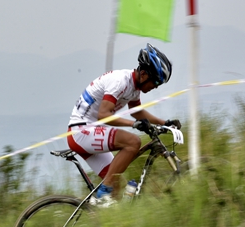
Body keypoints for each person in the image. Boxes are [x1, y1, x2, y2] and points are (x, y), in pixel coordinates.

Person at [67, 43, 182, 206]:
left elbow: (137, 112)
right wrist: (134, 125)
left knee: (116, 182)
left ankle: (99, 217)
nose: (156, 86)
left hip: (88, 132)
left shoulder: (134, 87)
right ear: (143, 74)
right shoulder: (120, 81)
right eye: (156, 81)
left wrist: (165, 123)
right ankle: (102, 193)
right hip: (80, 132)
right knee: (133, 142)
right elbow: (104, 115)